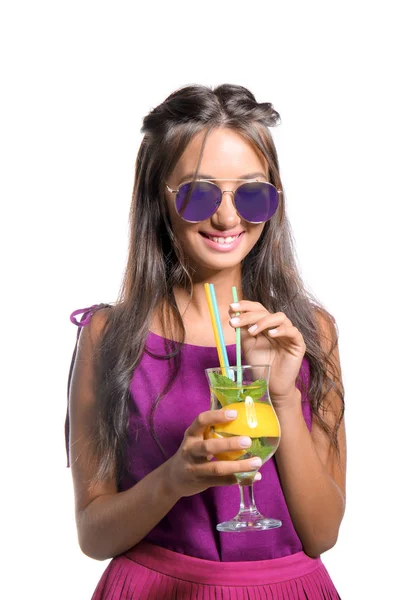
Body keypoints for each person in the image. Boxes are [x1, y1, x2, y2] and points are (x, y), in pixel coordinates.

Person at [66, 83, 346, 599]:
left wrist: (281, 394)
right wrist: (175, 478)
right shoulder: (109, 337)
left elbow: (321, 533)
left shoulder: (311, 332)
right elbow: (94, 535)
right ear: (159, 196)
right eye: (198, 193)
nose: (226, 216)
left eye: (252, 193)